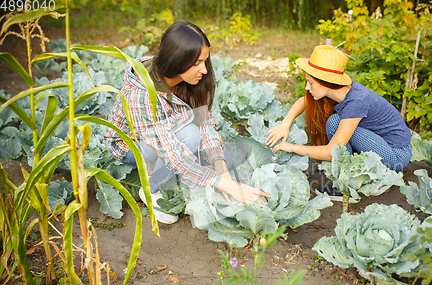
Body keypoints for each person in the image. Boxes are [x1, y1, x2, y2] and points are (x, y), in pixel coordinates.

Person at [105, 21, 269, 224]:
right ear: (176, 60)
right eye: (196, 63)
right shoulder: (142, 95)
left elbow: (205, 125)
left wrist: (223, 173)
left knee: (226, 162)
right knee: (189, 136)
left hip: (169, 131)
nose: (205, 70)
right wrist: (225, 185)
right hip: (132, 143)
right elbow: (173, 153)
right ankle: (153, 188)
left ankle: (183, 172)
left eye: (205, 61)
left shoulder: (190, 81)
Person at [265, 45, 412, 202]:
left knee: (335, 123)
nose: (307, 87)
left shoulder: (356, 102)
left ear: (326, 82)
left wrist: (292, 147)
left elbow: (330, 152)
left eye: (311, 83)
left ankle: (357, 184)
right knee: (334, 122)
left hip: (395, 155)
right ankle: (370, 175)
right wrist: (285, 124)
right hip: (381, 144)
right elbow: (304, 101)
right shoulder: (340, 92)